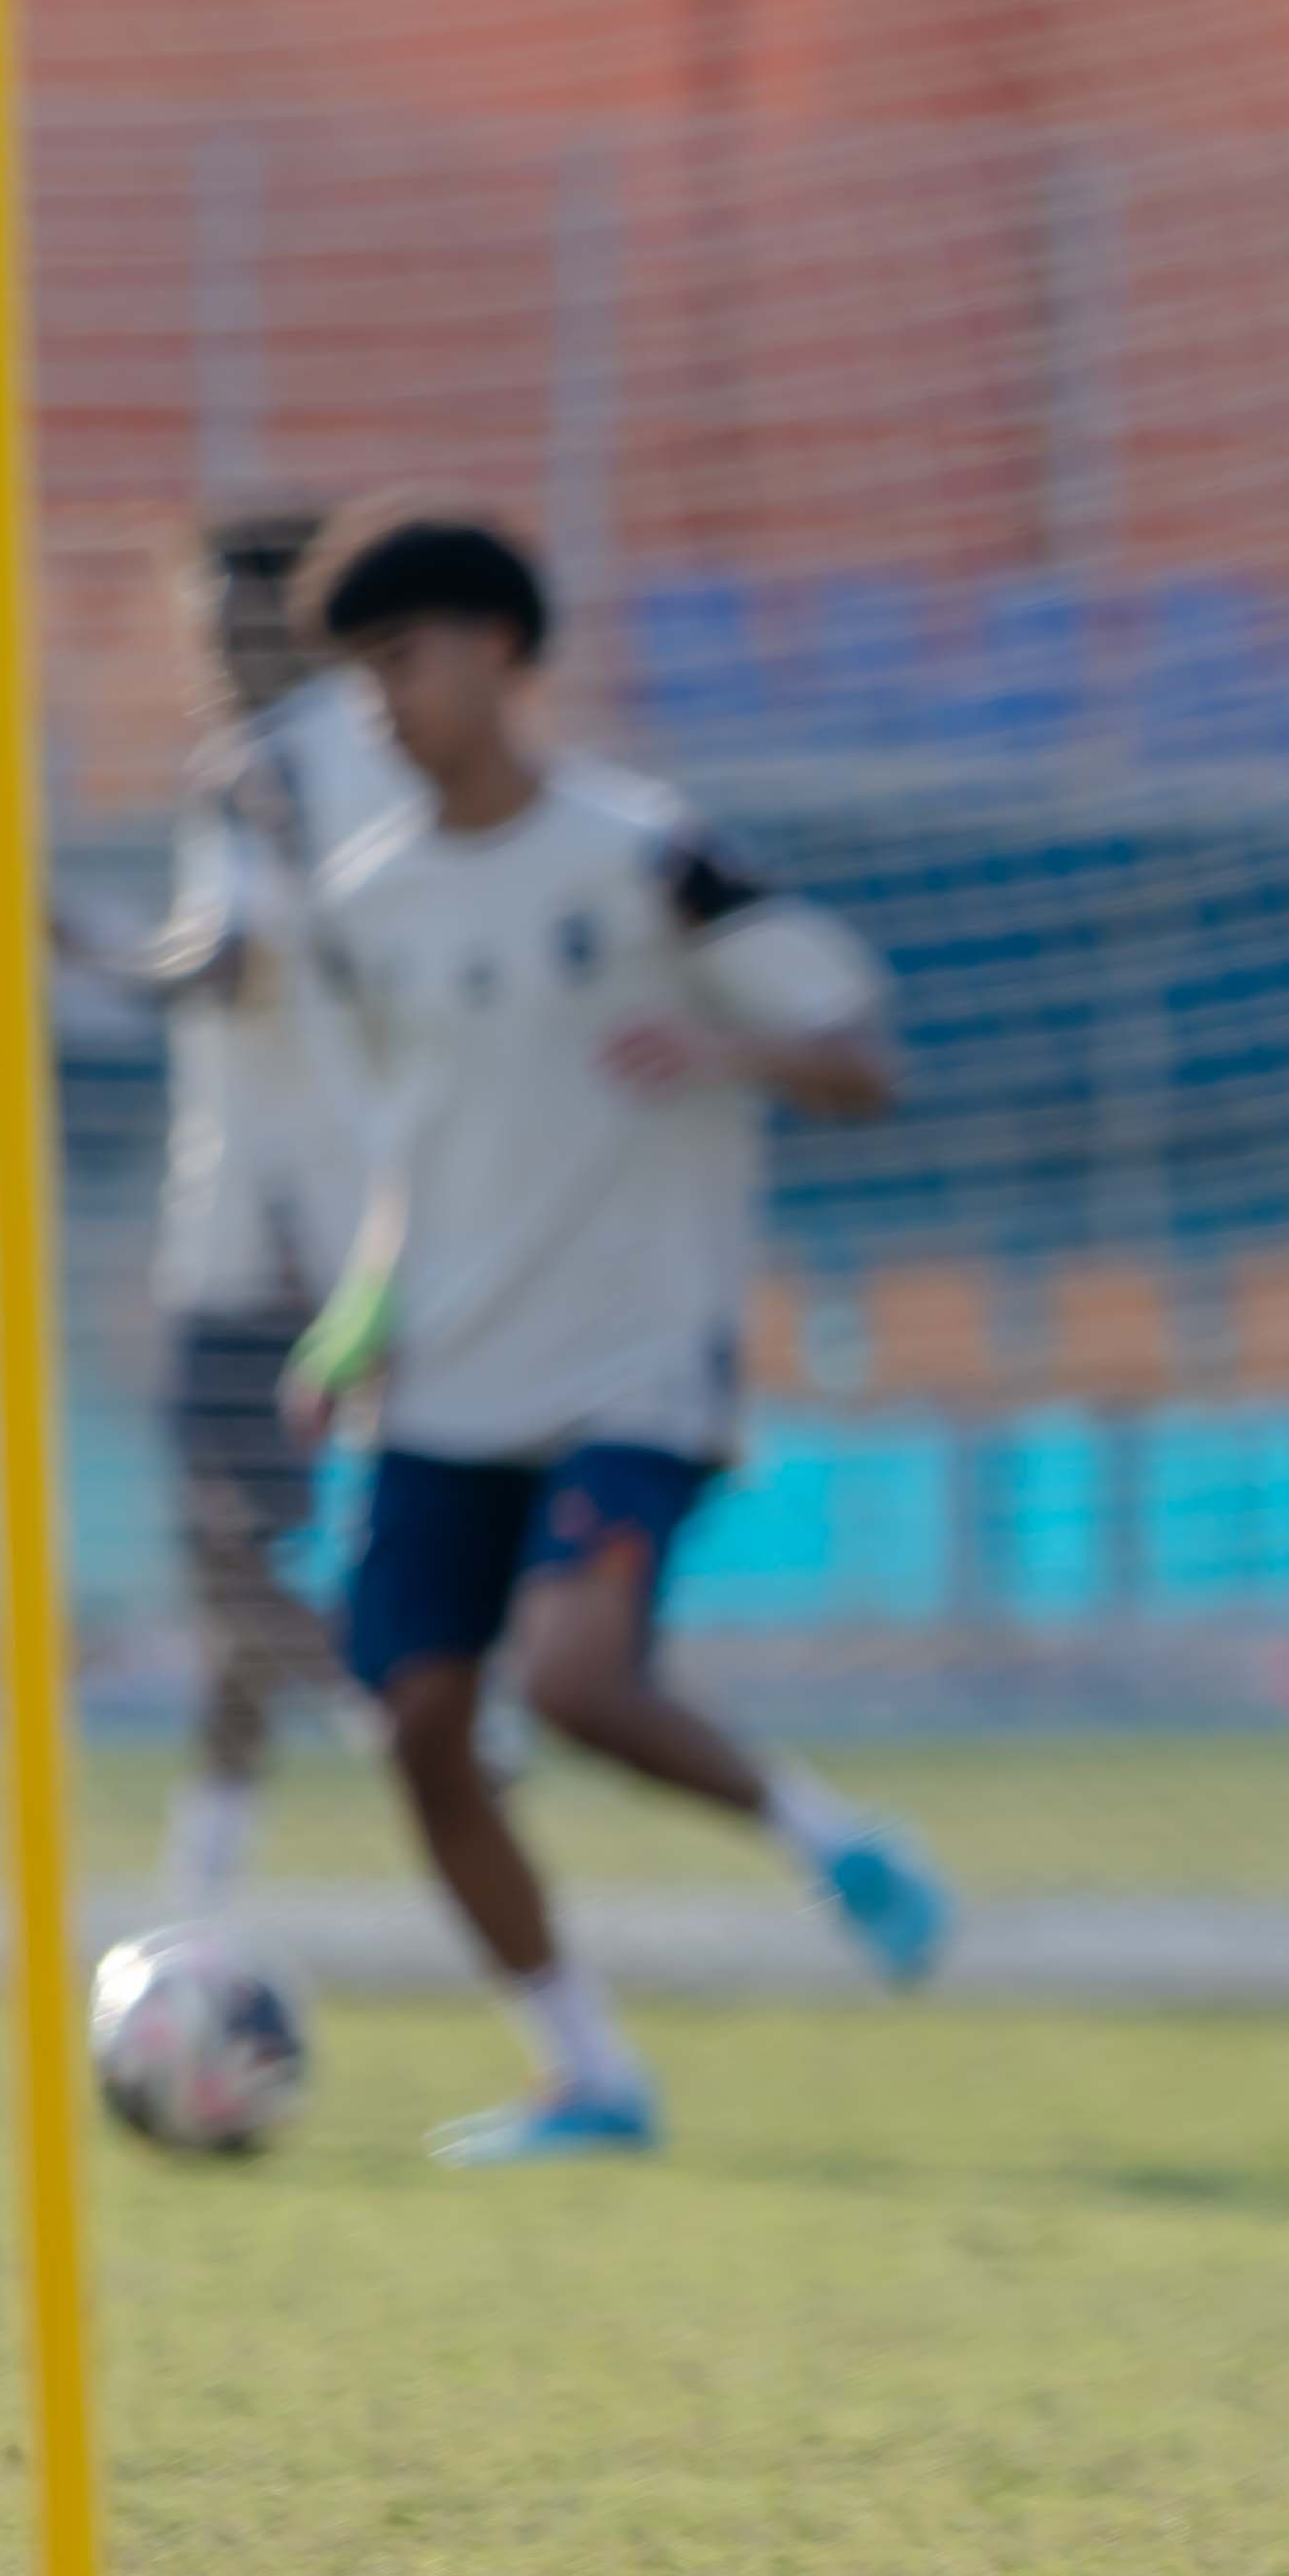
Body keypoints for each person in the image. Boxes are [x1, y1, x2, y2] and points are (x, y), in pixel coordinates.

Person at [284, 511, 955, 2162]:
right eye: (362, 671)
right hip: (445, 1371)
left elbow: (864, 1055)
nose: (384, 700)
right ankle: (582, 2068)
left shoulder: (654, 855)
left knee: (576, 1678)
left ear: (502, 654)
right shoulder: (364, 904)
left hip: (630, 1361)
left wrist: (732, 1048)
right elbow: (409, 1161)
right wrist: (349, 1327)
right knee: (422, 1724)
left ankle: (820, 1831)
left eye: (408, 657)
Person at [95, 504, 408, 1919]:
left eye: (244, 623)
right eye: (205, 624)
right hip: (356, 1214)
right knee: (247, 1566)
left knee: (221, 1552)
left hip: (268, 1241)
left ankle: (398, 1705)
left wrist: (93, 956)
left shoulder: (263, 770)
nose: (219, 651)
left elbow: (231, 964)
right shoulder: (389, 761)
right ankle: (203, 1880)